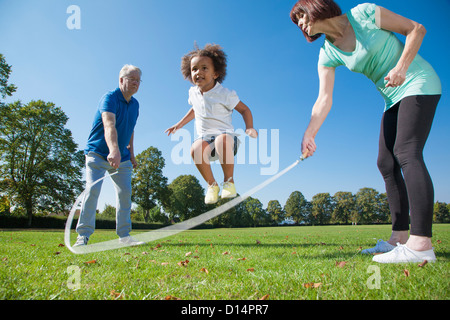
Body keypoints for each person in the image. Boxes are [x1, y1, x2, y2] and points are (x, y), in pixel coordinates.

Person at [290, 0, 441, 263]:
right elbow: (324, 99)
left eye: (301, 15)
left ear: (318, 6)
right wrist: (309, 133)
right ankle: (399, 239)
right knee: (385, 163)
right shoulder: (327, 52)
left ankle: (421, 245)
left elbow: (416, 29)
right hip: (392, 98)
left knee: (406, 152)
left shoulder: (364, 14)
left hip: (417, 82)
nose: (301, 23)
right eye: (297, 21)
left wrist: (401, 67)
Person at [165, 44, 258, 205]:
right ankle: (212, 185)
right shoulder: (193, 92)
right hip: (206, 141)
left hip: (227, 142)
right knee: (195, 148)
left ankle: (229, 182)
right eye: (194, 69)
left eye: (204, 68)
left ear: (215, 73)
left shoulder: (225, 94)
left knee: (222, 139)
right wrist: (179, 124)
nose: (198, 72)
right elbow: (196, 109)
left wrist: (249, 127)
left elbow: (245, 110)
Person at [74, 65, 144, 247]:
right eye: (132, 79)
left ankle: (124, 236)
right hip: (98, 153)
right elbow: (109, 125)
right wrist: (114, 150)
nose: (136, 83)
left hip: (123, 158)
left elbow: (130, 130)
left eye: (138, 80)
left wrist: (132, 154)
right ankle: (83, 236)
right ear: (121, 80)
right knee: (92, 191)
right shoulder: (109, 98)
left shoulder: (135, 105)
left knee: (125, 194)